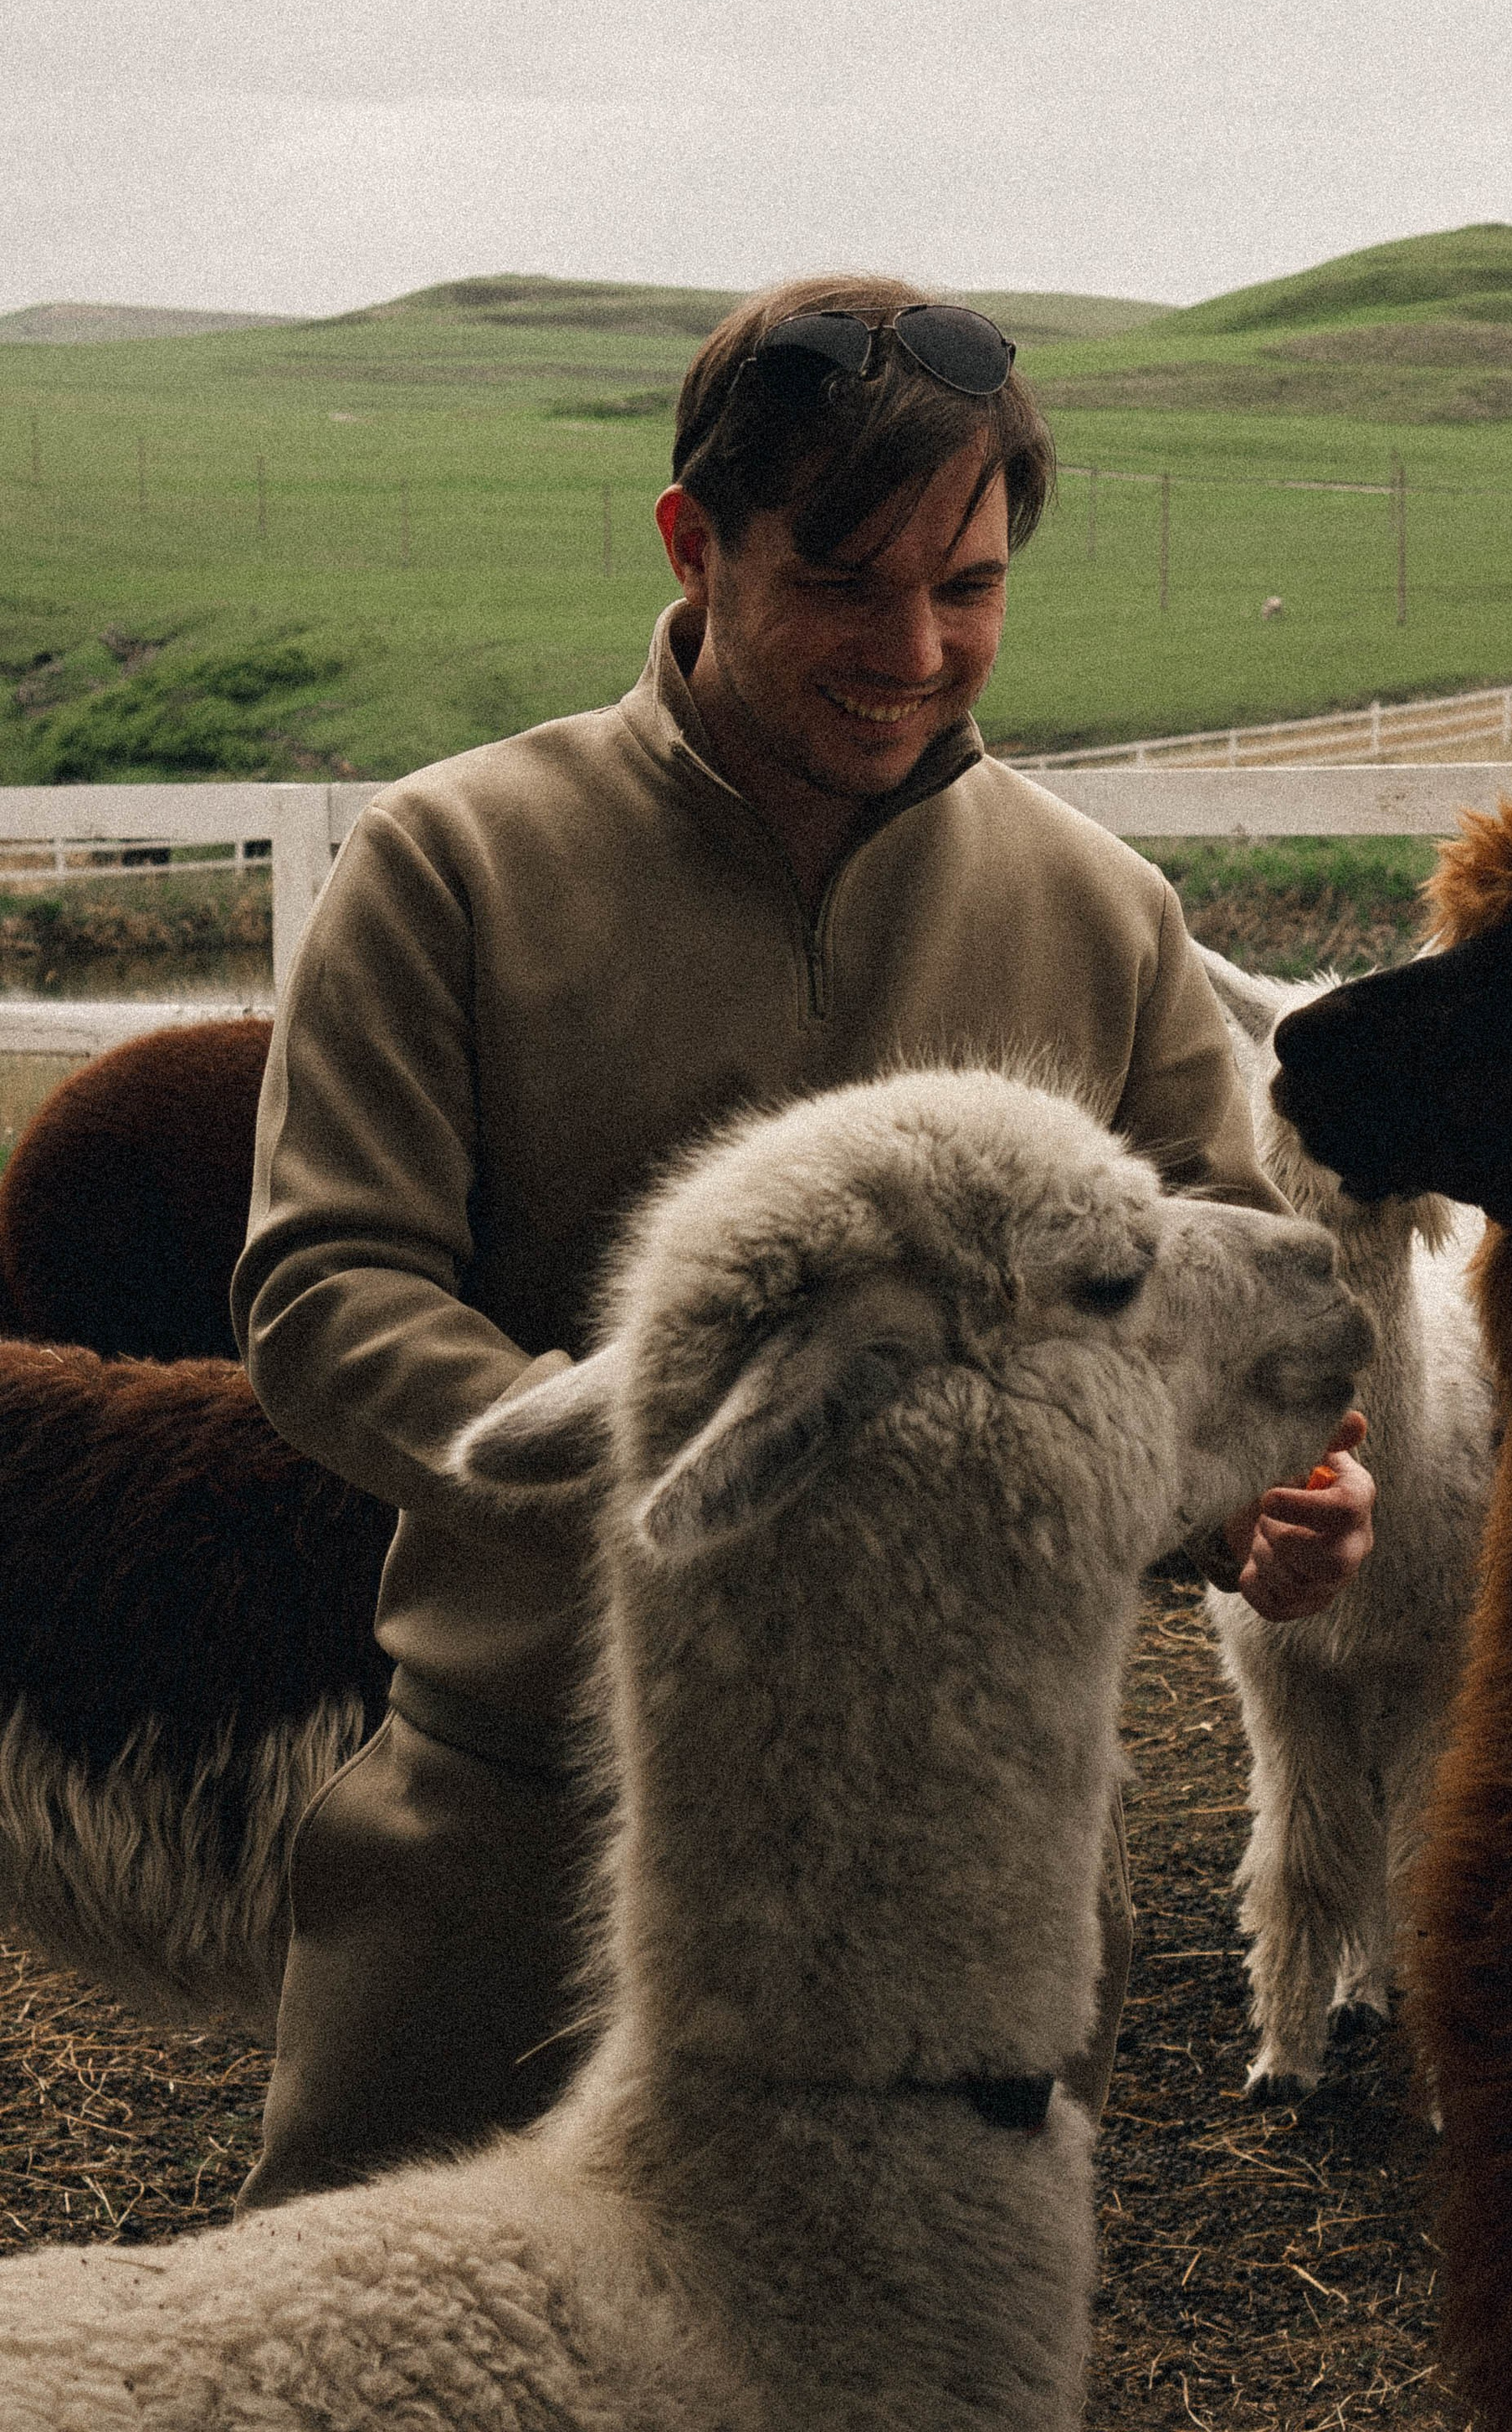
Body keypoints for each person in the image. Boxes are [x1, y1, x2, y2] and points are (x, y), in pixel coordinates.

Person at [233, 272, 1374, 2211]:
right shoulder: (448, 865)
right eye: (844, 580)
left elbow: (1220, 1312)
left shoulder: (1101, 912)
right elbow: (325, 1294)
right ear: (694, 541)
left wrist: (1257, 1504)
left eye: (972, 586)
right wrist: (696, 1460)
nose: (914, 647)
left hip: (976, 1875)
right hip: (529, 1823)